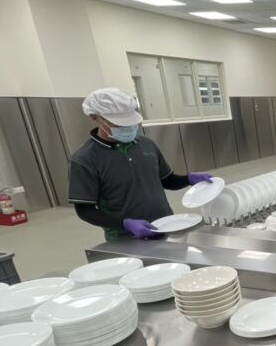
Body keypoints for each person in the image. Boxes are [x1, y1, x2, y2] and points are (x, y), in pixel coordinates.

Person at [68, 87, 214, 240]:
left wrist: (188, 179)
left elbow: (166, 180)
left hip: (166, 226)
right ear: (94, 117)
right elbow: (85, 210)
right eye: (118, 123)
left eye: (130, 122)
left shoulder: (146, 144)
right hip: (125, 237)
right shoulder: (84, 160)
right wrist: (124, 224)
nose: (126, 127)